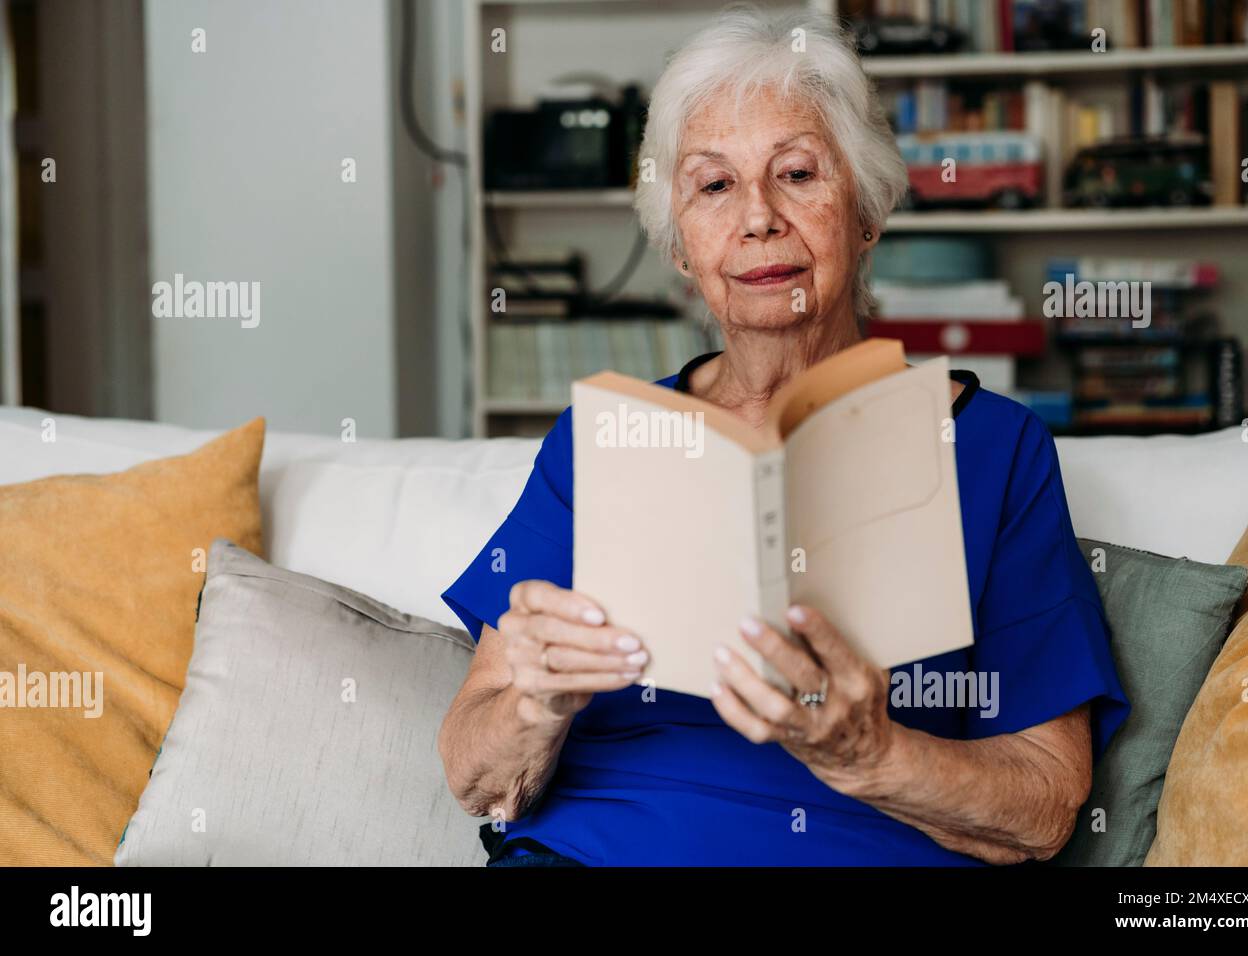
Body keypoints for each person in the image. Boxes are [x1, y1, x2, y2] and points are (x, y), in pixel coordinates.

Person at [437, 6, 1130, 867]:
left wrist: (871, 754)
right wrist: (536, 704)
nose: (758, 218)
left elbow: (1045, 805)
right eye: (714, 186)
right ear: (682, 246)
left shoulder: (994, 449)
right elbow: (473, 770)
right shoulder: (603, 441)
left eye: (797, 173)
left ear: (867, 209)